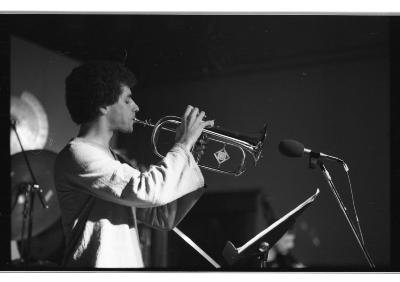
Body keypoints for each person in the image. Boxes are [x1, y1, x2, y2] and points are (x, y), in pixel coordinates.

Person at [54, 61, 214, 268]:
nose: (136, 107)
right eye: (127, 100)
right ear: (103, 105)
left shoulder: (116, 160)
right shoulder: (78, 154)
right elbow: (147, 191)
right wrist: (183, 145)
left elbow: (162, 216)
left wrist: (190, 156)